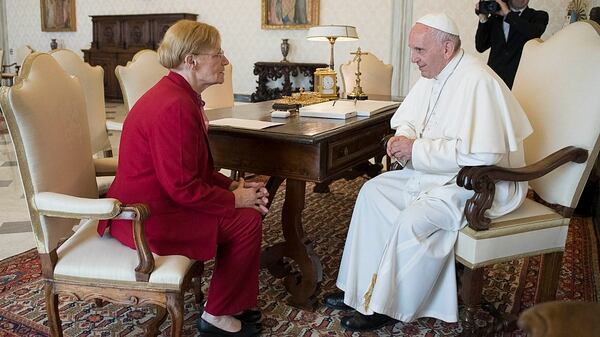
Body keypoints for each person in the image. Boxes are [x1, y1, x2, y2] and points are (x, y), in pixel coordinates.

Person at [323, 13, 533, 331]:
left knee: (413, 219)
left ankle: (387, 305)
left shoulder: (477, 80)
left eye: (419, 50)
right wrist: (402, 137)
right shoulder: (433, 74)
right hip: (438, 175)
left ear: (446, 47)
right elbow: (409, 118)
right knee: (372, 192)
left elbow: (483, 154)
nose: (413, 59)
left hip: (479, 182)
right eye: (412, 50)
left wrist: (416, 151)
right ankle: (359, 291)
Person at [97, 20, 268, 337]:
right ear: (191, 60)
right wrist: (235, 199)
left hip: (157, 205)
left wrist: (232, 185)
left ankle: (228, 301)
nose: (225, 61)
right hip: (145, 218)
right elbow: (182, 187)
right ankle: (216, 316)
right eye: (218, 54)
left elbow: (193, 172)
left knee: (245, 211)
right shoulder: (174, 105)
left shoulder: (179, 96)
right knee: (245, 220)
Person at [475, 0, 548, 88]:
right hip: (494, 79)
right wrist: (483, 19)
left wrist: (508, 14)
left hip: (521, 80)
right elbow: (480, 46)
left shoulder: (539, 16)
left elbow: (534, 33)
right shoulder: (496, 17)